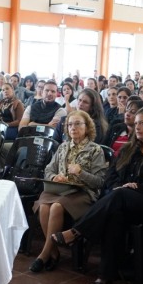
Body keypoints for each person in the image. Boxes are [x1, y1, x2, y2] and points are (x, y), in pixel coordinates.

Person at [52, 108, 143, 284]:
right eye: (136, 124)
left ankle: (77, 231)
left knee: (119, 196)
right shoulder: (128, 149)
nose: (138, 127)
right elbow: (111, 176)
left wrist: (134, 188)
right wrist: (119, 186)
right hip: (121, 200)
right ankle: (105, 276)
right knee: (114, 216)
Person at [30, 110, 108, 272]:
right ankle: (54, 251)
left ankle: (44, 255)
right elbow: (48, 170)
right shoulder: (63, 147)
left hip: (82, 193)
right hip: (59, 190)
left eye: (78, 124)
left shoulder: (95, 150)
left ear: (87, 127)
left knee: (57, 206)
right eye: (70, 124)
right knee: (44, 207)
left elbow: (99, 182)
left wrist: (81, 173)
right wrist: (54, 177)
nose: (73, 127)